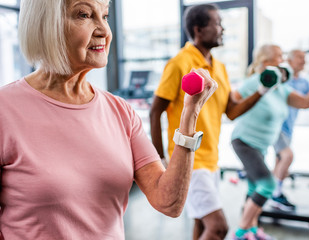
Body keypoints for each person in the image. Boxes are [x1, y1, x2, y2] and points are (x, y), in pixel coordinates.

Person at [0, 0, 218, 239]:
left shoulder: (120, 111)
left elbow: (168, 202)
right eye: (84, 15)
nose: (104, 30)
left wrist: (190, 114)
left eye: (104, 16)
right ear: (44, 25)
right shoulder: (5, 110)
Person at [150, 4, 270, 240]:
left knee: (201, 225)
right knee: (218, 227)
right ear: (199, 29)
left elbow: (232, 111)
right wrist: (159, 159)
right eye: (217, 23)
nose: (222, 29)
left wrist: (263, 89)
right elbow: (156, 111)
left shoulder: (220, 68)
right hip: (189, 162)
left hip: (211, 160)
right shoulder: (179, 63)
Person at [231, 44, 309, 240]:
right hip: (244, 142)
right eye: (278, 57)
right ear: (265, 62)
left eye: (283, 56)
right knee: (267, 185)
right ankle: (240, 233)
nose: (282, 61)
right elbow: (232, 104)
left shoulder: (282, 88)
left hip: (261, 146)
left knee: (253, 189)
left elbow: (307, 103)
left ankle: (252, 230)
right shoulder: (254, 82)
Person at [270, 49, 309, 211]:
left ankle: (268, 194)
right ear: (289, 60)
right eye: (300, 57)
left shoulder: (304, 83)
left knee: (280, 165)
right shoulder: (283, 79)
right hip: (275, 126)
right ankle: (275, 195)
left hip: (288, 128)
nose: (303, 61)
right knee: (287, 157)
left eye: (305, 58)